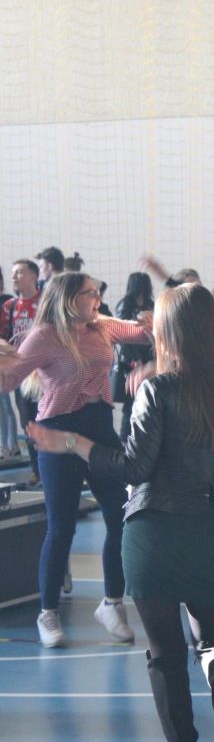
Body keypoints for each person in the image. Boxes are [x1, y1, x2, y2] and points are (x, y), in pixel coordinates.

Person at [29, 284, 214, 742]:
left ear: (168, 331)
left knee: (165, 656)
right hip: (211, 529)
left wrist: (72, 441)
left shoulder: (159, 390)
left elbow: (132, 468)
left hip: (156, 534)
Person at [0, 272, 153, 648]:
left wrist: (155, 322)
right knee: (62, 526)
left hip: (99, 427)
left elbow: (144, 333)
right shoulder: (45, 336)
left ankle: (112, 603)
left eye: (97, 292)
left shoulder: (102, 325)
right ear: (69, 299)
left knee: (121, 517)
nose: (97, 298)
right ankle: (48, 612)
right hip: (58, 433)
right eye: (89, 293)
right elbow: (8, 380)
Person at [0, 259, 43, 480]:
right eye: (13, 273)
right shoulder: (9, 307)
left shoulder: (46, 301)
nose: (14, 277)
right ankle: (37, 471)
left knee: (52, 420)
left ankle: (57, 466)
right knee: (29, 423)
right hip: (22, 375)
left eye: (19, 272)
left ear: (33, 276)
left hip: (47, 374)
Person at [112, 272, 156, 442]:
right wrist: (135, 360)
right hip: (132, 361)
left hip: (149, 358)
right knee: (131, 403)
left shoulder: (151, 305)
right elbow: (123, 336)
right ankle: (125, 438)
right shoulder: (126, 305)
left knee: (148, 399)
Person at [0, 267, 19, 461]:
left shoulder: (8, 302)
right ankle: (6, 445)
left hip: (6, 355)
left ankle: (10, 446)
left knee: (5, 404)